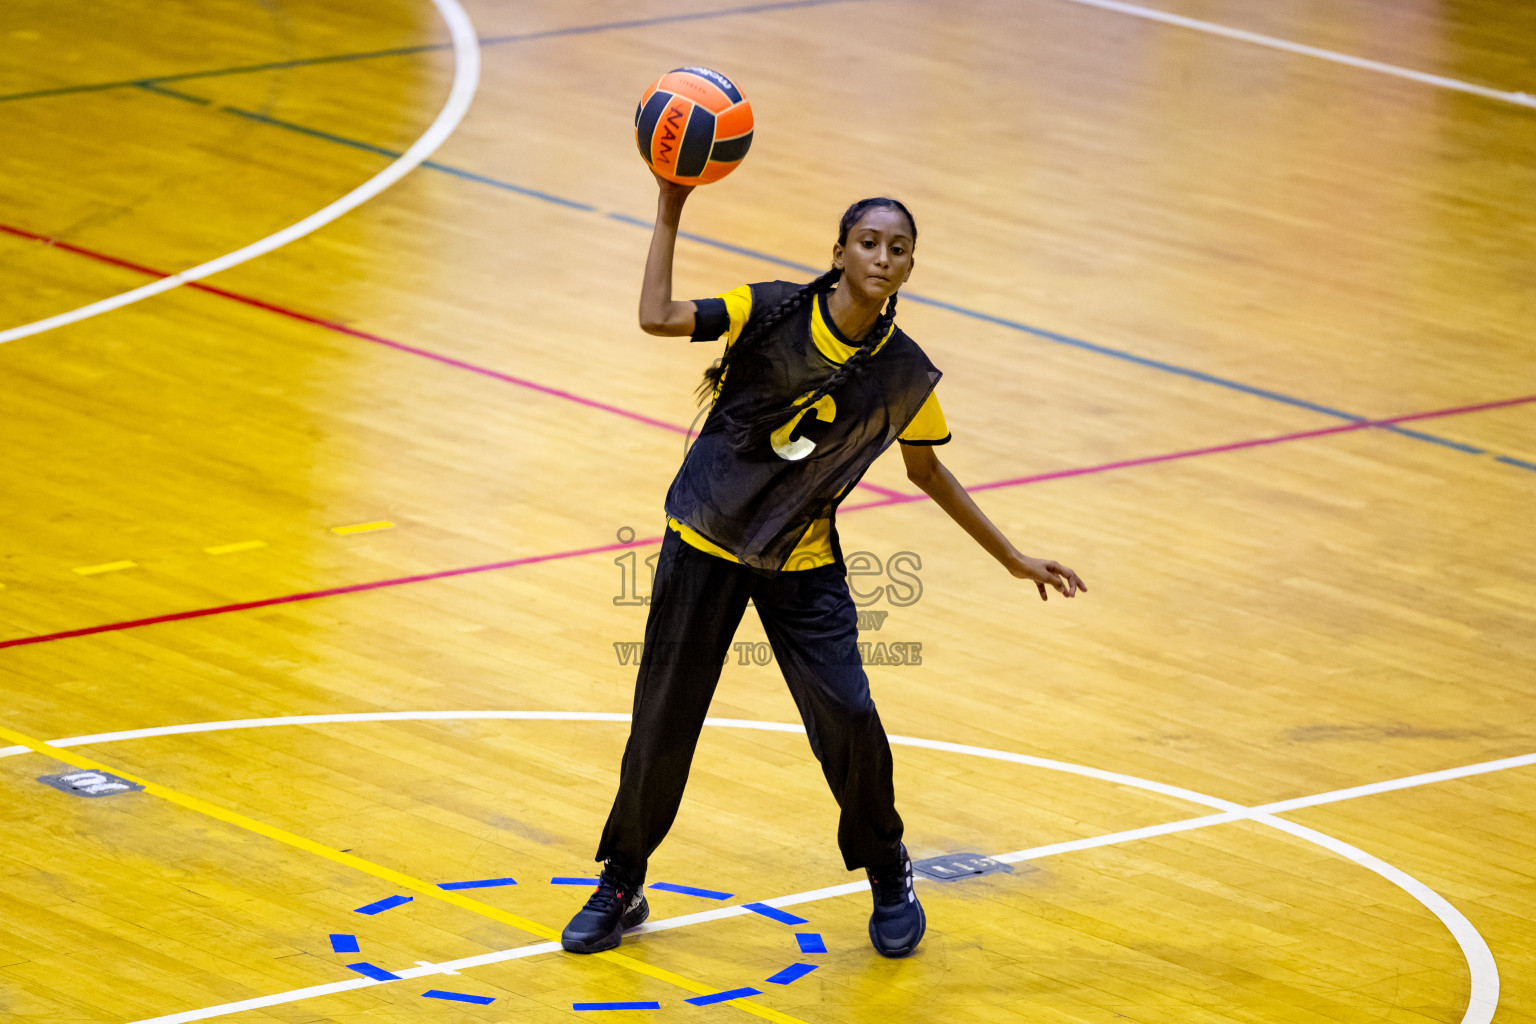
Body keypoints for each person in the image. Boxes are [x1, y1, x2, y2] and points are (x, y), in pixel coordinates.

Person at [561, 174, 1085, 959]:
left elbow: (928, 473)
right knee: (663, 718)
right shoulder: (768, 307)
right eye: (868, 242)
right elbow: (656, 316)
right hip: (704, 540)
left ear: (910, 268)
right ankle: (622, 878)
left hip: (801, 559)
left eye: (898, 249)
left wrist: (1012, 557)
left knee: (849, 716)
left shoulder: (905, 371)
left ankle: (887, 869)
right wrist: (670, 208)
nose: (882, 256)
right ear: (838, 252)